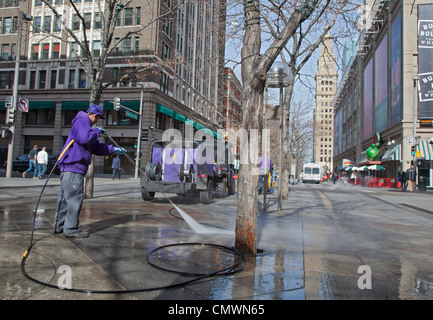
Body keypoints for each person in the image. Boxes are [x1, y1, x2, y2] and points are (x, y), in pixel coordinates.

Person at [54, 104, 126, 238]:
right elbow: (85, 138)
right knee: (74, 198)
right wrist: (97, 131)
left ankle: (60, 226)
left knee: (65, 199)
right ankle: (70, 228)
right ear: (94, 115)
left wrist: (111, 149)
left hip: (70, 166)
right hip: (74, 166)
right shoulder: (83, 121)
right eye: (98, 118)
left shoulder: (83, 125)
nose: (97, 121)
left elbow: (95, 146)